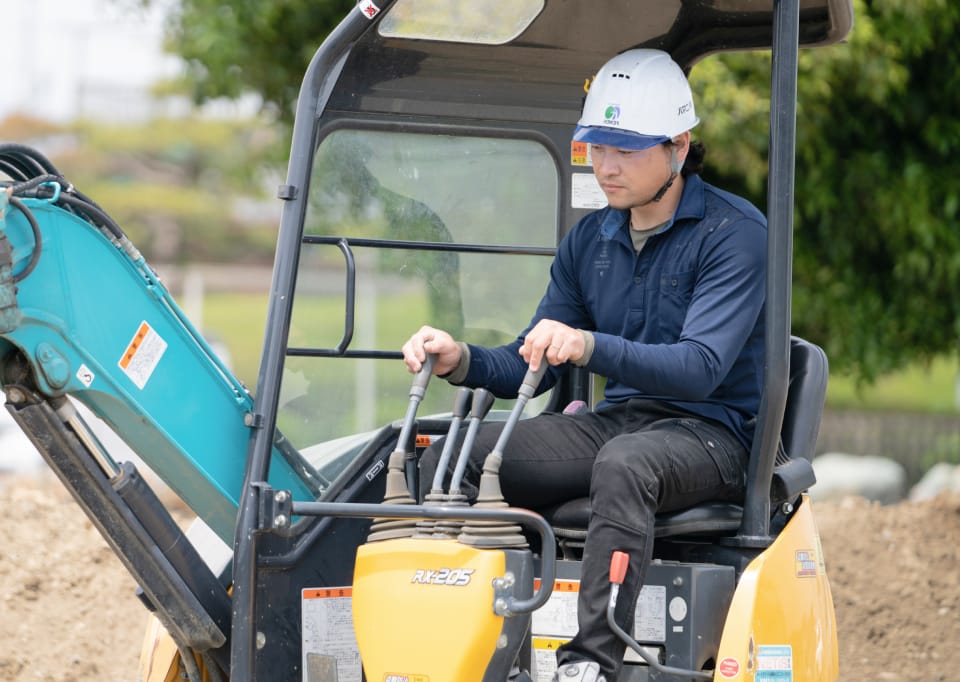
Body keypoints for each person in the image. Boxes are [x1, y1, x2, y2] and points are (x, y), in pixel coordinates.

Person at [401, 48, 767, 682]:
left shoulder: (735, 233)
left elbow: (701, 368)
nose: (606, 165)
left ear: (679, 146)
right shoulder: (590, 241)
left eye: (625, 150)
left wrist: (591, 346)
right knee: (448, 457)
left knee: (622, 464)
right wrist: (458, 359)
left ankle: (589, 665)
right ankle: (464, 654)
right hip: (618, 422)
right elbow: (527, 362)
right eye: (598, 147)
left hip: (710, 434)